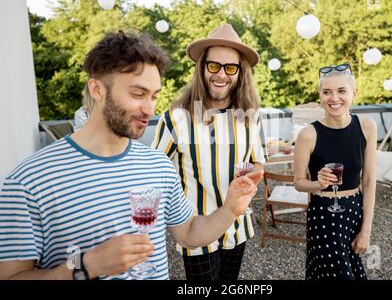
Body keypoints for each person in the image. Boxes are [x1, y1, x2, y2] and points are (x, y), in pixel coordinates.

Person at [0, 30, 263, 280]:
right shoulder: (28, 181)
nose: (149, 109)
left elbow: (189, 233)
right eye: (138, 94)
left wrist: (231, 208)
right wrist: (85, 266)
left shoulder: (158, 166)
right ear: (97, 89)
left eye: (154, 96)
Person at [151, 23, 266, 280]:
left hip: (237, 227)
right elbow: (153, 175)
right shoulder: (176, 119)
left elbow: (258, 163)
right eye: (213, 65)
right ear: (202, 67)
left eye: (230, 67)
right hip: (196, 229)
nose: (221, 75)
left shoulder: (251, 117)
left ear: (240, 72)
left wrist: (251, 178)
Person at [293, 63, 376, 280]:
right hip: (323, 216)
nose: (334, 98)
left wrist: (366, 230)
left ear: (354, 94)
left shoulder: (367, 126)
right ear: (320, 95)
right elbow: (298, 182)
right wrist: (316, 184)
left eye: (341, 91)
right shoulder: (308, 134)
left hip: (354, 211)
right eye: (327, 92)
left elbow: (368, 181)